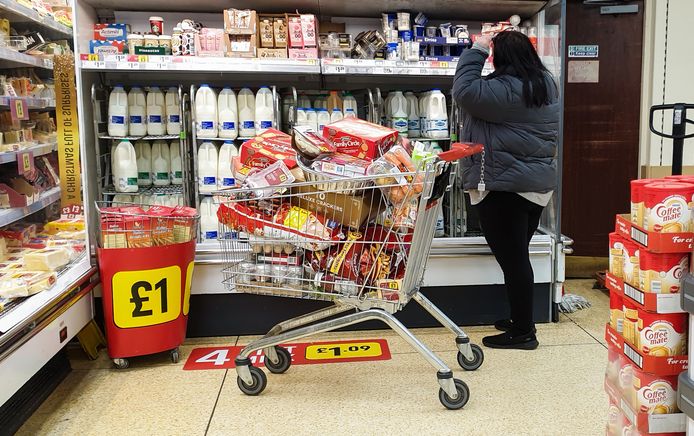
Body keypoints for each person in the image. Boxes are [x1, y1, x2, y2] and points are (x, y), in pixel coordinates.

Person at [452, 31, 559, 350]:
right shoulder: (544, 82)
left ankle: (524, 332)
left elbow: (464, 90)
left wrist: (478, 48)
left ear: (501, 58)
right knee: (516, 258)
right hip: (535, 186)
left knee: (513, 262)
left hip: (505, 187)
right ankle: (519, 319)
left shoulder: (506, 89)